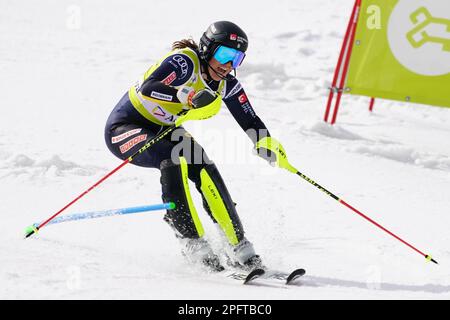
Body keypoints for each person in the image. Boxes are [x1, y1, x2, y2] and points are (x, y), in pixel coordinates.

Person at [104, 21, 287, 272]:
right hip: (125, 128)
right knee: (173, 158)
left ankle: (239, 246)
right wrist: (186, 97)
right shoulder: (184, 62)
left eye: (237, 58)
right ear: (207, 49)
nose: (228, 65)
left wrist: (264, 141)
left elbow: (250, 119)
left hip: (162, 128)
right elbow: (149, 88)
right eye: (224, 55)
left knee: (202, 164)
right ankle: (191, 241)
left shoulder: (226, 84)